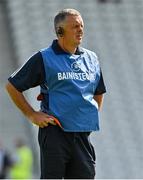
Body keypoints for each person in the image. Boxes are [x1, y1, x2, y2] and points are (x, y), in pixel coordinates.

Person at [6, 8, 106, 179]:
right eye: (75, 26)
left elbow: (98, 91)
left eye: (81, 25)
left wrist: (89, 114)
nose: (80, 30)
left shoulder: (92, 58)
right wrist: (32, 115)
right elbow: (12, 86)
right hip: (55, 133)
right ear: (60, 31)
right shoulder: (44, 58)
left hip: (82, 136)